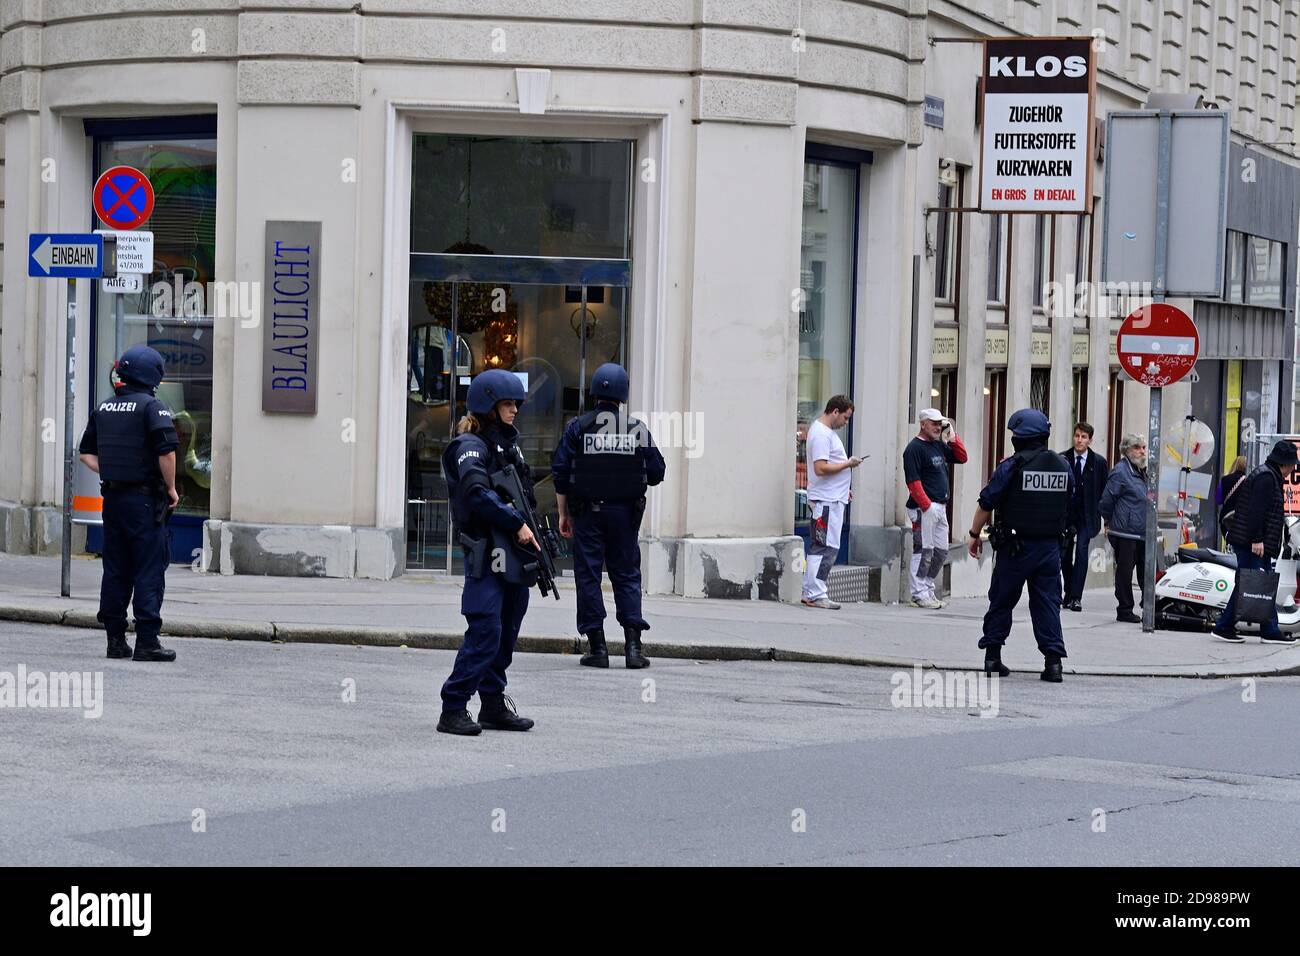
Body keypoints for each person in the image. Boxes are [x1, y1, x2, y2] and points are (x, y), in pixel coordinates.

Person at [437, 369, 540, 735]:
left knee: (508, 628)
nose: (514, 411)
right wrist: (517, 524)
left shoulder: (508, 446)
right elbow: (478, 495)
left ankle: (493, 704)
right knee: (486, 628)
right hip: (486, 551)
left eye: (515, 404)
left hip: (512, 552)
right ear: (489, 406)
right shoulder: (470, 447)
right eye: (508, 404)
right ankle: (453, 706)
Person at [552, 362, 666, 668]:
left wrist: (563, 514)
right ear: (623, 395)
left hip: (586, 515)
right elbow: (657, 472)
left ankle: (598, 648)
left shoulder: (577, 427)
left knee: (588, 576)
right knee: (626, 575)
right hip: (625, 516)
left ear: (594, 393)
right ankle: (633, 648)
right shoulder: (636, 429)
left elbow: (561, 473)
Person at [77, 346, 180, 662]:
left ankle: (115, 640)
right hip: (144, 502)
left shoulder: (104, 408)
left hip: (112, 501)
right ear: (152, 375)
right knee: (148, 569)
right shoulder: (153, 408)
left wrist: (110, 470)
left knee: (116, 569)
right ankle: (147, 641)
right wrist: (172, 488)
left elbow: (86, 453)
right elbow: (167, 453)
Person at [966, 408, 1073, 682]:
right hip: (1050, 548)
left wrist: (974, 534)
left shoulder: (1010, 466)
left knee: (1002, 600)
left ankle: (993, 658)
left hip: (1015, 548)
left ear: (1019, 438)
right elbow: (1069, 501)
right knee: (1048, 603)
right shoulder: (1063, 466)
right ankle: (1053, 664)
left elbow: (985, 504)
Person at [1212, 440, 1300, 645]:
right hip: (1252, 544)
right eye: (1292, 465)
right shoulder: (1266, 478)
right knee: (1254, 584)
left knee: (1256, 584)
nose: (1293, 469)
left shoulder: (1269, 475)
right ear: (1284, 464)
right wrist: (1257, 540)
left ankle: (1259, 629)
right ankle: (1258, 629)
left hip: (1253, 543)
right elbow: (1255, 512)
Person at [800, 395, 863, 609]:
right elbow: (821, 468)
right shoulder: (821, 434)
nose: (846, 423)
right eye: (845, 418)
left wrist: (843, 489)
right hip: (826, 501)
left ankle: (814, 591)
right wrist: (848, 464)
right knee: (824, 547)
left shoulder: (823, 433)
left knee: (826, 546)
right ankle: (815, 593)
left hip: (831, 499)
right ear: (835, 412)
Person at [904, 408, 967, 608]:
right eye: (934, 423)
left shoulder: (938, 445)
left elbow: (961, 457)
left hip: (940, 506)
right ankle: (919, 593)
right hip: (925, 508)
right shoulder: (914, 449)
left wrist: (953, 434)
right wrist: (926, 506)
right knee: (923, 550)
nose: (938, 427)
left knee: (940, 551)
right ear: (923, 424)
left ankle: (927, 586)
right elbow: (913, 482)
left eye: (940, 424)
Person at [1099, 434, 1150, 623]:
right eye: (1137, 447)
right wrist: (1108, 521)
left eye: (1144, 447)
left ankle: (1149, 605)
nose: (1142, 451)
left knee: (1146, 569)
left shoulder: (1142, 470)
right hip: (1125, 531)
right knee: (1125, 572)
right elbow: (1106, 500)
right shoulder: (1121, 472)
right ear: (1126, 450)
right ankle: (1125, 609)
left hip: (1144, 531)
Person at [1060, 421, 1109, 612]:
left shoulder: (1099, 463)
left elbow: (1105, 493)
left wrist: (1107, 520)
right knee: (1064, 554)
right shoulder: (1062, 459)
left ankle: (1076, 597)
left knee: (1081, 552)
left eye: (1083, 437)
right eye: (1077, 436)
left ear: (1090, 440)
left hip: (1088, 516)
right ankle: (1068, 591)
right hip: (1066, 515)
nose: (1079, 440)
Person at [1216, 455, 1248, 543]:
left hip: (1226, 519)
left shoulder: (1225, 479)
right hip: (1242, 520)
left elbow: (1218, 499)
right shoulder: (1249, 481)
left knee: (1230, 544)